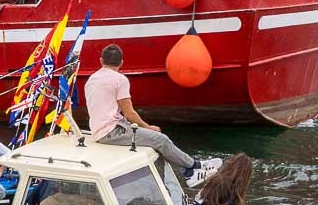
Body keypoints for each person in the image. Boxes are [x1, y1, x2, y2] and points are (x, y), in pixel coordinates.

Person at [84, 44, 222, 186]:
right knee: (161, 140)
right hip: (111, 132)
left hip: (99, 130)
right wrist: (148, 127)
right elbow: (129, 112)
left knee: (155, 141)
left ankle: (189, 170)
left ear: (101, 61)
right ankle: (193, 167)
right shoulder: (120, 80)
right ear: (121, 63)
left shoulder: (91, 80)